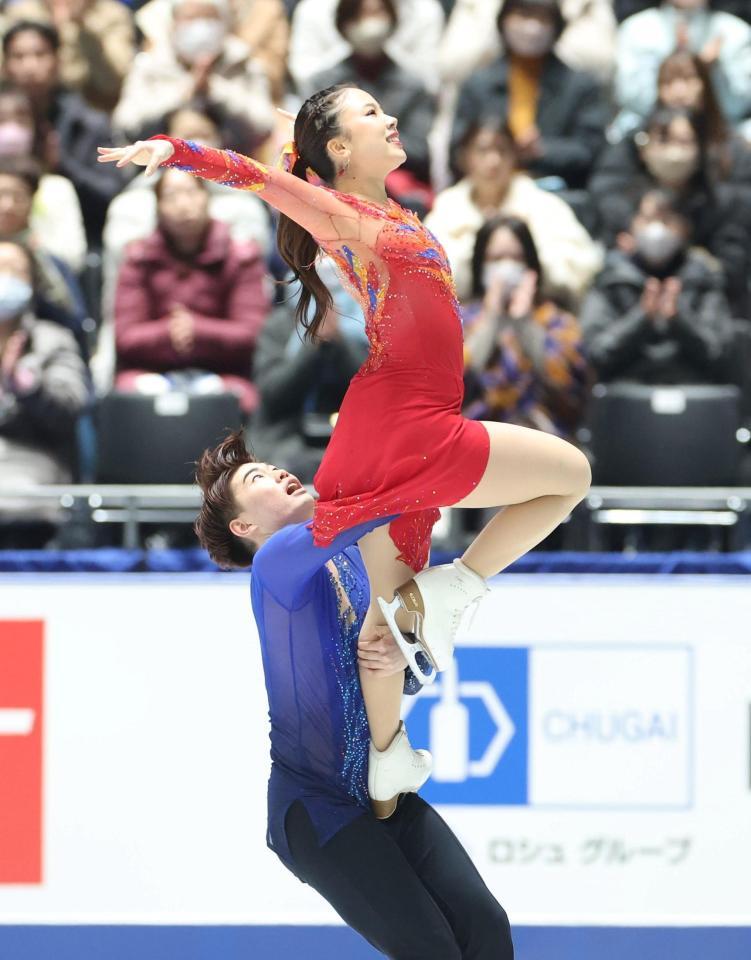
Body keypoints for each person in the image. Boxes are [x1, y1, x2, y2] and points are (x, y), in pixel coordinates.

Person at [99, 81, 591, 815]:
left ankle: (387, 763)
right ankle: (456, 588)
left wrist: (298, 132)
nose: (391, 117)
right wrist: (177, 151)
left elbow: (292, 157)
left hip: (389, 418)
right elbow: (261, 178)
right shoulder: (343, 216)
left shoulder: (384, 209)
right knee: (568, 475)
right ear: (337, 148)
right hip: (408, 416)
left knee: (383, 619)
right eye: (371, 114)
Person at [191, 431, 515, 960]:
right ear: (244, 526)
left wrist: (402, 661)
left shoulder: (357, 566)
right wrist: (408, 450)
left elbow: (404, 671)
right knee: (430, 948)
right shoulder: (273, 568)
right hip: (315, 807)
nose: (279, 473)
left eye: (274, 467)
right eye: (260, 479)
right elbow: (372, 510)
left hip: (383, 791)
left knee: (484, 925)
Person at [114, 168, 270, 415]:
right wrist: (169, 332)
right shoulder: (138, 258)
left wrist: (198, 331)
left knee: (243, 400)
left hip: (225, 372)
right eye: (171, 196)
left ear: (207, 197)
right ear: (158, 206)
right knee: (126, 398)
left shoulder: (241, 256)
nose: (183, 204)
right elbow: (125, 337)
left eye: (190, 192)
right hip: (151, 372)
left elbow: (253, 333)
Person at [589, 105, 751, 315]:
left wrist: (683, 252)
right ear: (644, 150)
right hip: (631, 308)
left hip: (706, 309)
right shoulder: (623, 201)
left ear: (700, 149)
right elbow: (608, 266)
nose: (673, 152)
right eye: (664, 141)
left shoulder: (725, 204)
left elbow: (731, 271)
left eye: (684, 142)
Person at [425, 121, 601, 304]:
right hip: (463, 318)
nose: (494, 160)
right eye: (482, 151)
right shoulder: (447, 207)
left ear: (515, 157)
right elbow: (428, 278)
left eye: (502, 150)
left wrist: (524, 251)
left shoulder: (544, 205)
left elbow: (577, 271)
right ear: (464, 157)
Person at [580, 189, 735, 385]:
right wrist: (643, 317)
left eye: (667, 221)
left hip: (693, 393)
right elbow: (596, 353)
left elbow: (720, 354)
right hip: (625, 396)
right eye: (648, 220)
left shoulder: (704, 280)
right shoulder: (610, 280)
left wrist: (678, 320)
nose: (657, 230)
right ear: (631, 228)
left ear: (685, 228)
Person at [451, 0, 608, 191]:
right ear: (503, 21)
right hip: (486, 190)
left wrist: (542, 150)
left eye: (542, 18)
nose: (532, 28)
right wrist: (495, 151)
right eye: (523, 15)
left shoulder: (581, 86)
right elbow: (457, 148)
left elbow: (591, 150)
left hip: (557, 189)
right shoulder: (477, 83)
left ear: (557, 27)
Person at [462, 214, 589, 440]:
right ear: (480, 264)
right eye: (496, 258)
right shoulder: (458, 319)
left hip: (544, 440)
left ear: (531, 265)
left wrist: (526, 325)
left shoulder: (557, 321)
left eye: (516, 258)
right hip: (476, 440)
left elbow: (568, 388)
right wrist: (490, 320)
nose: (506, 267)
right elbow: (453, 386)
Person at [1, 19, 123, 245]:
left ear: (57, 61)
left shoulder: (87, 123)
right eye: (18, 57)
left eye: (40, 55)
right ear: (6, 65)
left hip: (68, 238)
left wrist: (63, 164)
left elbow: (111, 194)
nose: (30, 66)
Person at [0, 238, 89, 542]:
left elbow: (69, 410)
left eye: (15, 271)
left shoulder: (54, 339)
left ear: (32, 284)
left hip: (33, 464)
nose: (4, 279)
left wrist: (27, 386)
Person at [309, 0, 436, 213]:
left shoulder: (414, 85)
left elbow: (418, 150)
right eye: (359, 15)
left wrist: (362, 147)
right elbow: (315, 144)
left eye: (377, 13)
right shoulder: (324, 84)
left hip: (395, 177)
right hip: (338, 176)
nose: (369, 22)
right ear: (345, 24)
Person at [251, 260, 370, 482]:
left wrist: (339, 342)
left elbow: (375, 393)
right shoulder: (279, 325)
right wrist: (313, 343)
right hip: (285, 434)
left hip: (355, 435)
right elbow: (273, 394)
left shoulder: (370, 325)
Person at [112, 0, 275, 152]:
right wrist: (183, 93)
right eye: (191, 18)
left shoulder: (244, 63)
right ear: (173, 23)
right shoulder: (149, 65)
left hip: (235, 169)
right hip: (161, 169)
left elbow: (264, 127)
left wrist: (213, 91)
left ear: (225, 24)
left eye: (208, 18)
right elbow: (126, 125)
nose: (200, 27)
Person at [614, 0, 751, 135]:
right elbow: (630, 98)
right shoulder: (637, 29)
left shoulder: (735, 32)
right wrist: (674, 67)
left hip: (720, 132)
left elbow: (738, 106)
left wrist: (710, 71)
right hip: (648, 129)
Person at [0, 83, 86, 272]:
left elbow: (73, 257)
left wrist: (35, 247)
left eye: (20, 120)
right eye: (1, 120)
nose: (8, 205)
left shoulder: (57, 188)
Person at [134, 0, 290, 104]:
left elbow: (273, 77)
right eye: (191, 18)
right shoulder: (155, 16)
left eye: (209, 18)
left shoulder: (265, 9)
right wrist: (190, 84)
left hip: (239, 107)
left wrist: (214, 81)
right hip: (171, 110)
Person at [0, 0, 137, 113]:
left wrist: (83, 26)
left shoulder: (112, 15)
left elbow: (113, 82)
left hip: (93, 116)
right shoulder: (22, 12)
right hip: (25, 114)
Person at [288, 0, 445, 95]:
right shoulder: (312, 9)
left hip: (400, 113)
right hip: (335, 106)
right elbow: (304, 74)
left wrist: (380, 51)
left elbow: (429, 80)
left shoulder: (424, 10)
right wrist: (355, 50)